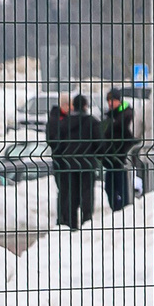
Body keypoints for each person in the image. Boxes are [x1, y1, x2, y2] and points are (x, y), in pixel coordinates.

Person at [63, 94, 103, 229]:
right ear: (85, 106)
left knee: (72, 193)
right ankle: (86, 221)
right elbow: (99, 143)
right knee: (87, 192)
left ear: (73, 106)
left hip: (70, 163)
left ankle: (71, 224)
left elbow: (60, 141)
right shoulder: (92, 122)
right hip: (87, 162)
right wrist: (96, 155)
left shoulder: (66, 122)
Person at [99, 88, 138, 212]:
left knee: (121, 188)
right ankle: (116, 209)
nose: (110, 103)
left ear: (119, 100)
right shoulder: (110, 115)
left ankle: (122, 210)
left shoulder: (127, 115)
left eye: (113, 100)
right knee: (109, 188)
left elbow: (131, 135)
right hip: (110, 158)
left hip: (121, 158)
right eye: (109, 100)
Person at [43, 91, 78, 229]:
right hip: (60, 160)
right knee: (64, 190)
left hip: (67, 160)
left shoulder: (63, 118)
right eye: (70, 105)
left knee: (69, 190)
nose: (73, 109)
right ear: (65, 105)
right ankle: (63, 219)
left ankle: (68, 218)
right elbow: (52, 139)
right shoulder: (56, 120)